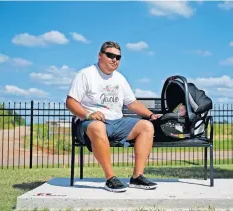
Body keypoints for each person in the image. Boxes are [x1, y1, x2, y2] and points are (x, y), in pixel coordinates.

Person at [66, 41, 162, 192]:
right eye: (110, 55)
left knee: (146, 126)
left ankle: (137, 177)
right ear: (100, 55)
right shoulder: (86, 74)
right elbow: (70, 102)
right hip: (90, 123)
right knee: (97, 126)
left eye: (118, 57)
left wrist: (150, 115)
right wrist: (89, 114)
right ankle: (110, 178)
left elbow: (132, 103)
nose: (114, 60)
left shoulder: (120, 78)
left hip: (117, 122)